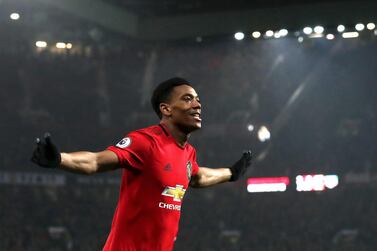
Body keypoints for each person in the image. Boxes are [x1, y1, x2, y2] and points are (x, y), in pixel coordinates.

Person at [31, 77, 252, 251]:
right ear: (166, 109)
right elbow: (97, 161)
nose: (197, 105)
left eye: (198, 100)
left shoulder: (188, 153)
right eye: (187, 99)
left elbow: (197, 177)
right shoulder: (145, 141)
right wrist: (60, 159)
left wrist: (231, 172)